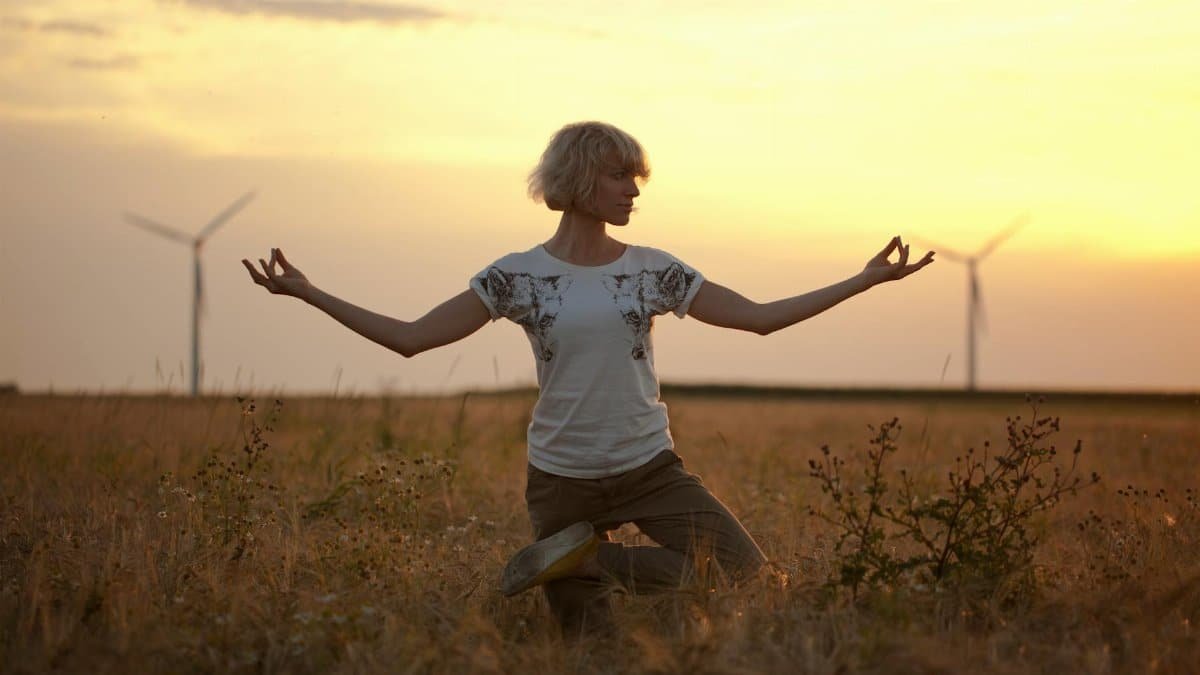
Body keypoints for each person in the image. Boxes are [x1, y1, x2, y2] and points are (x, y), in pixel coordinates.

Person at [242, 121, 935, 638]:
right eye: (617, 177)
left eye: (635, 179)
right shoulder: (514, 276)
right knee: (590, 651)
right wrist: (310, 292)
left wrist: (864, 280)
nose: (633, 191)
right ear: (577, 181)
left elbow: (759, 319)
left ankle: (580, 562)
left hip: (648, 468)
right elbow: (411, 338)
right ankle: (570, 558)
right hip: (560, 479)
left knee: (752, 576)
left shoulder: (653, 270)